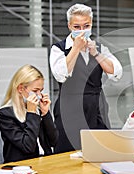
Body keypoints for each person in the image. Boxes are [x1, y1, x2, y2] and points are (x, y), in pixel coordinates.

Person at [49, 3, 123, 153]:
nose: (82, 31)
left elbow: (116, 73)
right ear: (69, 26)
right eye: (77, 27)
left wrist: (95, 53)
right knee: (68, 153)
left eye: (86, 26)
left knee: (100, 152)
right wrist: (75, 48)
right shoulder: (58, 49)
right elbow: (60, 75)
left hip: (97, 107)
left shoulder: (100, 49)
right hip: (69, 107)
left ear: (91, 24)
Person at [0, 65, 58, 163]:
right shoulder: (5, 114)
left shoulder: (36, 109)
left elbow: (54, 141)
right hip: (21, 167)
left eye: (40, 91)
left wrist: (46, 114)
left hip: (45, 162)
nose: (39, 95)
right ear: (20, 89)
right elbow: (28, 146)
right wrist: (32, 113)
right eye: (35, 91)